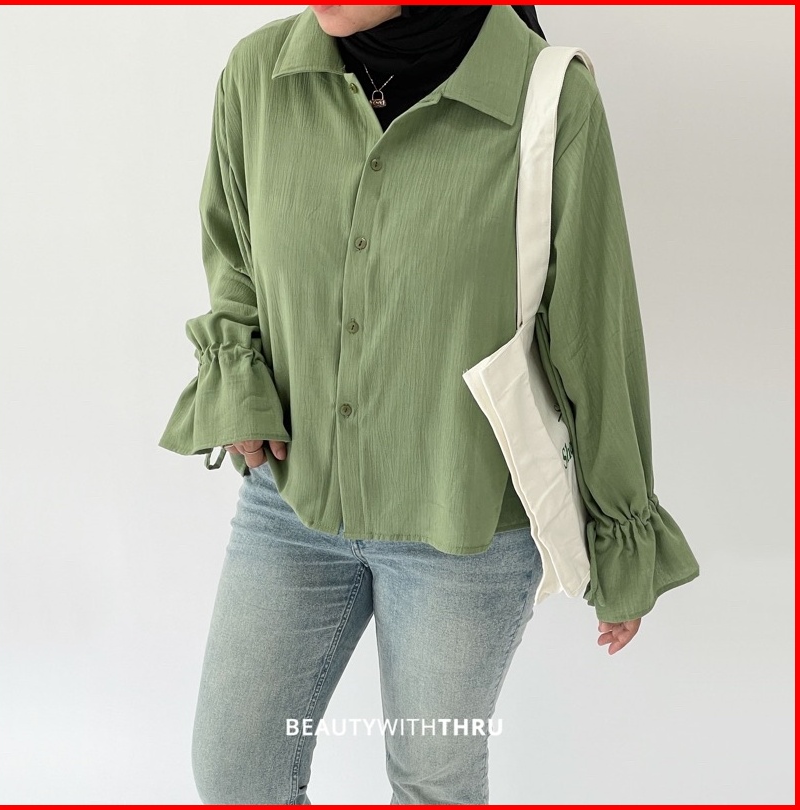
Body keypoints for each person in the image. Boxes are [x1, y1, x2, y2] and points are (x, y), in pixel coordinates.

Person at [158, 5, 700, 804]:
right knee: (236, 771)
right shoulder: (258, 75)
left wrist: (620, 535)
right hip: (293, 499)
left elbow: (592, 330)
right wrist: (238, 380)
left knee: (432, 786)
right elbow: (235, 254)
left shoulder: (549, 98)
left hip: (465, 521)